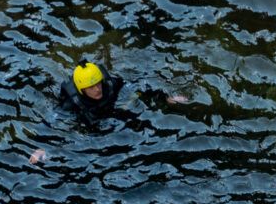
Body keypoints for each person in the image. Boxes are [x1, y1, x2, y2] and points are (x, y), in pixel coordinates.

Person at [32, 61, 187, 161]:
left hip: (111, 113)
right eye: (91, 87)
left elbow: (140, 86)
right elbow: (51, 123)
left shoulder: (110, 85)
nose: (97, 89)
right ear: (82, 89)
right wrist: (41, 148)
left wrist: (166, 97)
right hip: (88, 122)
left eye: (98, 84)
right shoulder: (72, 104)